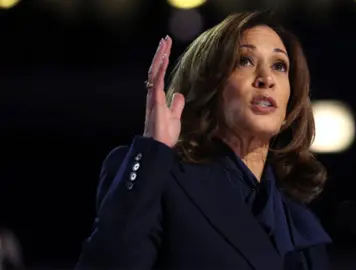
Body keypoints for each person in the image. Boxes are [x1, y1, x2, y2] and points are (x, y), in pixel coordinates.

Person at [75, 10, 331, 270]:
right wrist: (153, 150)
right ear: (209, 85)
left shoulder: (297, 217)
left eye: (279, 66)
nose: (266, 79)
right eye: (244, 60)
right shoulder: (158, 178)